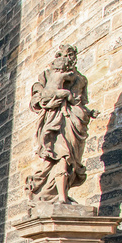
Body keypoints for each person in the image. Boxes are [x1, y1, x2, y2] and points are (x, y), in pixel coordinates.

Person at [26, 44, 97, 204]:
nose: (68, 58)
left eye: (71, 55)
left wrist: (88, 113)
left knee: (72, 159)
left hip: (74, 123)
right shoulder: (46, 75)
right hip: (55, 121)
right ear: (59, 56)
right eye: (65, 54)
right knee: (61, 155)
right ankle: (59, 197)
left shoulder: (81, 80)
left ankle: (60, 193)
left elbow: (81, 102)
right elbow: (36, 101)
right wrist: (57, 96)